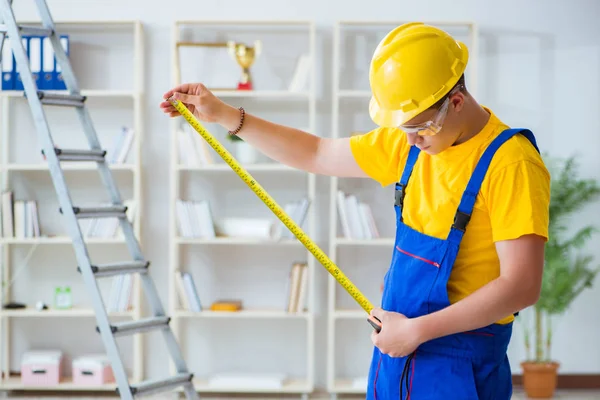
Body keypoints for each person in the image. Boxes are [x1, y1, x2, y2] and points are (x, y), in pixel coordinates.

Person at [160, 22, 550, 400]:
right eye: (402, 128)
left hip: (459, 366)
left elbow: (521, 285)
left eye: (419, 127)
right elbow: (316, 152)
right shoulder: (412, 144)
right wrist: (224, 114)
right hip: (396, 353)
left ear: (456, 101)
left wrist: (418, 330)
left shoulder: (510, 163)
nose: (411, 140)